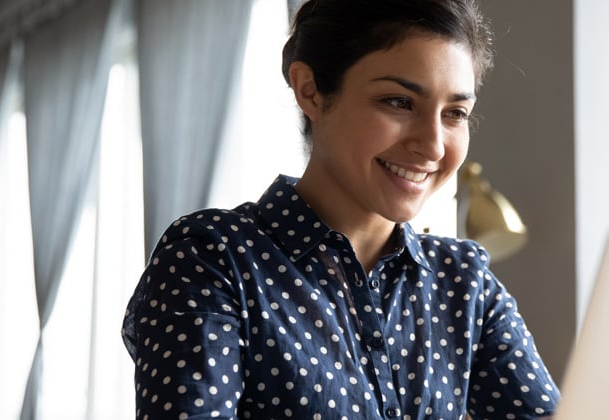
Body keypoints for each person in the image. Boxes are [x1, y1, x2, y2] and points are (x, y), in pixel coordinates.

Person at [121, 0, 561, 418]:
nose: (432, 145)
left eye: (455, 113)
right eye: (399, 102)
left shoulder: (464, 283)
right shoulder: (213, 258)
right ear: (310, 90)